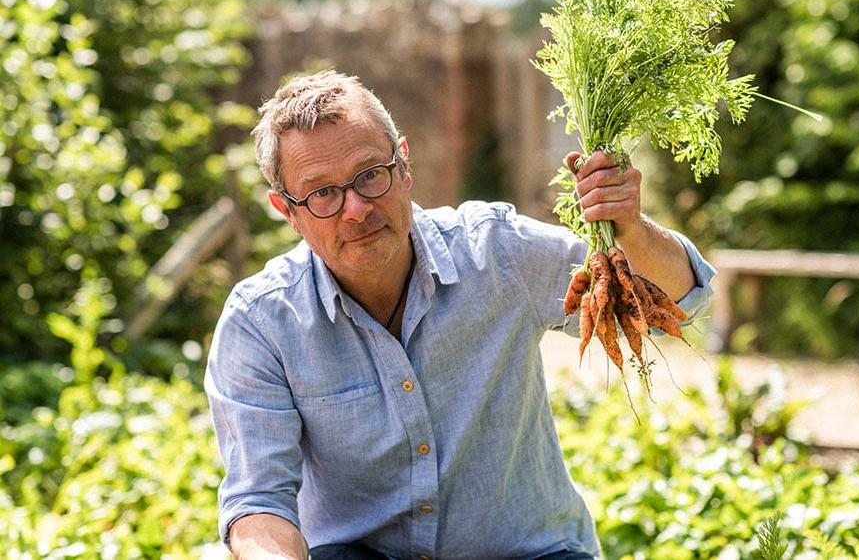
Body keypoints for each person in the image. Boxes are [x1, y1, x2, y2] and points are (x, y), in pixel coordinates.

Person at [204, 70, 715, 560]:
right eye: (322, 194)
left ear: (403, 165)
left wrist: (630, 228)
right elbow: (259, 502)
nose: (355, 208)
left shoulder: (497, 253)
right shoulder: (261, 323)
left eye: (369, 176)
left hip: (531, 553)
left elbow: (673, 302)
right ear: (286, 210)